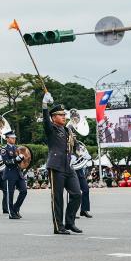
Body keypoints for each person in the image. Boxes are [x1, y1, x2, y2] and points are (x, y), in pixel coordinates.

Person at [43, 95, 82, 235]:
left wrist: (78, 150)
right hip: (56, 166)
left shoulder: (67, 130)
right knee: (57, 197)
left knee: (77, 194)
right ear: (53, 118)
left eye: (64, 114)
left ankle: (69, 222)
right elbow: (45, 121)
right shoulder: (51, 128)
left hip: (68, 166)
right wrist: (44, 105)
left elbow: (74, 144)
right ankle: (58, 226)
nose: (64, 116)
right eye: (60, 115)